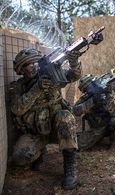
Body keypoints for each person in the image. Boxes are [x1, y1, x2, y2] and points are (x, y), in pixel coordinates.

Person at [9, 48, 81, 190]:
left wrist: (74, 63)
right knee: (20, 158)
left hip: (57, 129)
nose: (34, 66)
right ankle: (40, 152)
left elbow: (72, 76)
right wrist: (37, 88)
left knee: (65, 116)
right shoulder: (17, 87)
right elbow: (17, 109)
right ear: (21, 69)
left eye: (36, 62)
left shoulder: (50, 74)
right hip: (35, 133)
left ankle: (69, 168)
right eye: (29, 64)